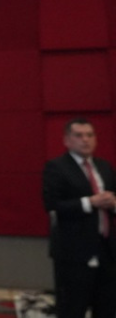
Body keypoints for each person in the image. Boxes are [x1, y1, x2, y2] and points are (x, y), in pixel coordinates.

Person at [42, 117, 116, 318]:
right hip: (74, 253)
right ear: (67, 140)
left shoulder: (105, 167)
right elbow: (53, 205)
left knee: (108, 307)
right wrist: (90, 202)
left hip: (107, 251)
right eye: (79, 135)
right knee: (73, 308)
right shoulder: (56, 167)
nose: (85, 140)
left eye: (90, 135)